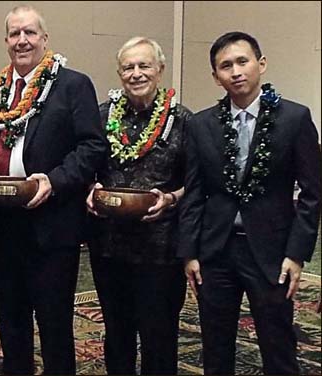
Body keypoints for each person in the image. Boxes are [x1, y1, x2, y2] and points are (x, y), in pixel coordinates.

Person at [0, 5, 107, 374]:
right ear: (6, 41)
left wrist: (55, 180)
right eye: (15, 34)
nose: (22, 40)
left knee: (53, 320)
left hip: (53, 223)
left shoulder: (73, 84)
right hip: (6, 221)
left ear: (45, 39)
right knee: (10, 316)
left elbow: (92, 146)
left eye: (30, 32)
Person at [178, 31, 321, 374]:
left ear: (261, 64)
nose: (236, 71)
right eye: (225, 66)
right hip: (216, 250)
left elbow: (312, 193)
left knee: (277, 343)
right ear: (216, 77)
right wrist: (190, 253)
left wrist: (296, 254)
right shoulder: (201, 125)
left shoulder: (294, 118)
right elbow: (194, 192)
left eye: (243, 61)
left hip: (272, 251)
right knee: (215, 345)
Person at [85, 37, 191, 375]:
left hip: (160, 249)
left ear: (160, 70)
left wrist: (172, 198)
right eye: (128, 67)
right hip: (109, 246)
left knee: (159, 336)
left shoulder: (183, 120)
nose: (136, 73)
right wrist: (89, 189)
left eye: (144, 65)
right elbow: (84, 167)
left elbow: (198, 183)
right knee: (117, 333)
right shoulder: (102, 116)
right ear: (119, 73)